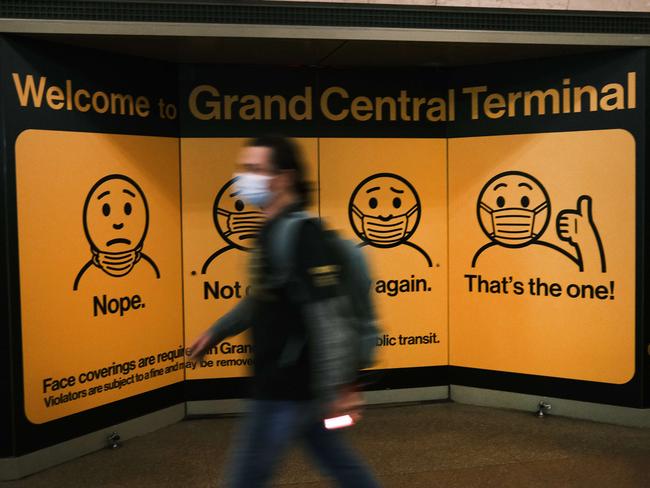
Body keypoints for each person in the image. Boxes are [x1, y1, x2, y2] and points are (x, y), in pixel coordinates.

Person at [189, 135, 379, 488]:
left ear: (284, 178)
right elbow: (262, 300)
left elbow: (330, 318)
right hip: (292, 386)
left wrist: (342, 388)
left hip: (285, 387)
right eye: (245, 168)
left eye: (254, 169)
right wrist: (217, 331)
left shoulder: (301, 235)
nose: (243, 177)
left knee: (244, 480)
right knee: (340, 465)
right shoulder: (271, 231)